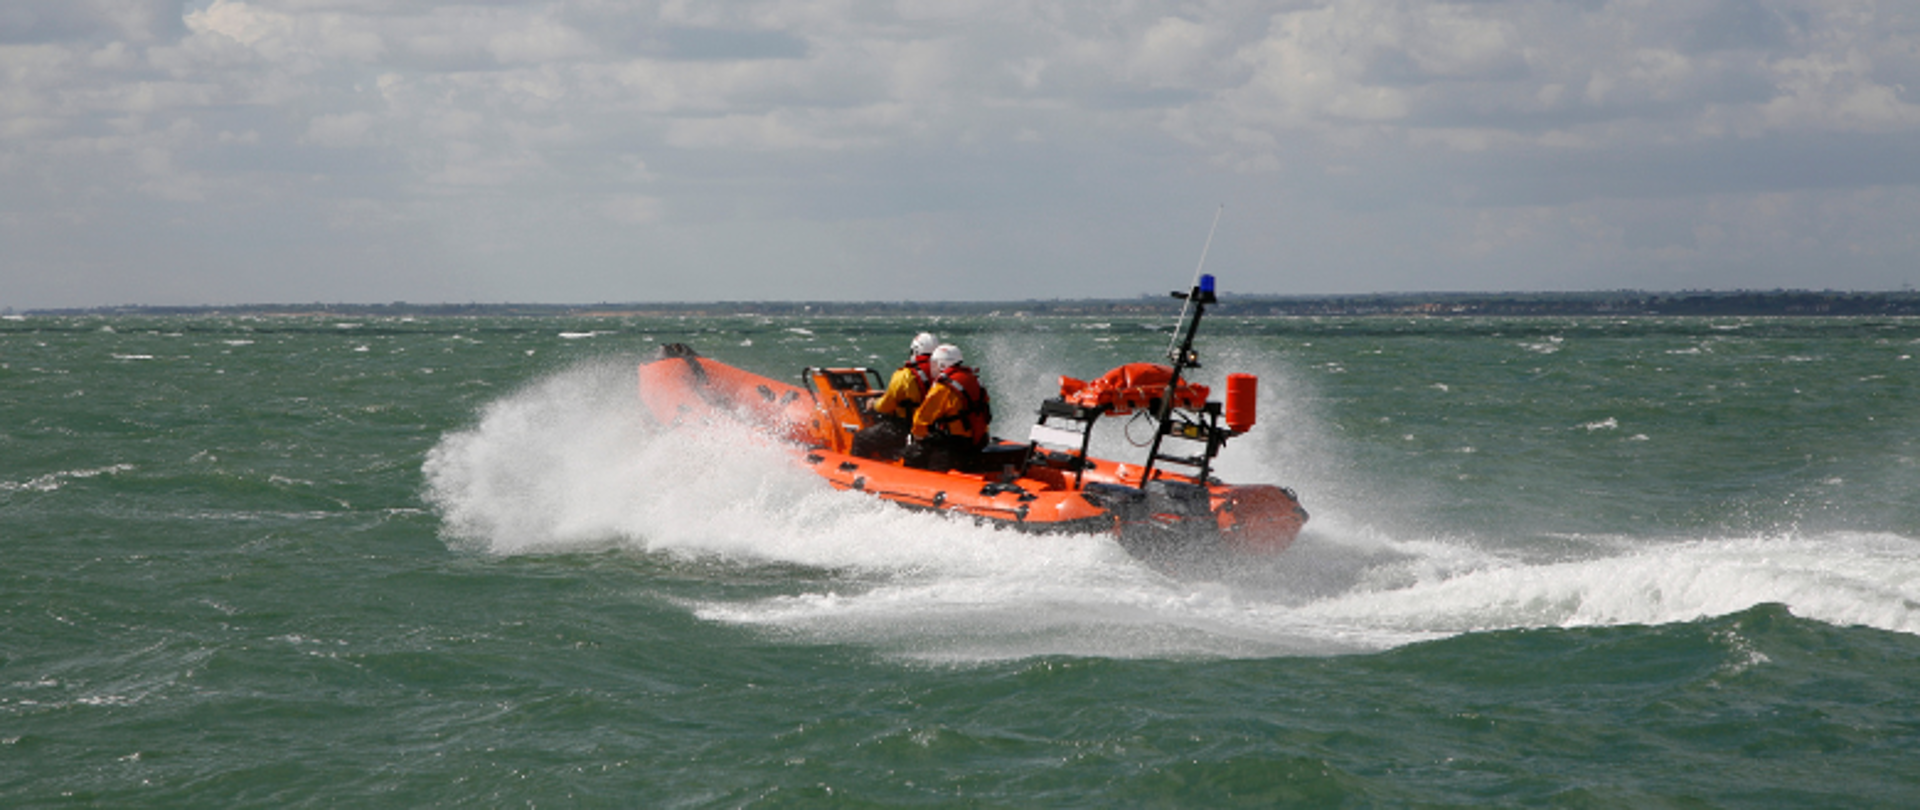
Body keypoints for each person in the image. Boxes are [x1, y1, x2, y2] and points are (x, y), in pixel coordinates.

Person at [903, 343, 992, 471]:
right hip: (979, 440)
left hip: (954, 444)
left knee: (913, 453)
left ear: (942, 364)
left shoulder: (943, 387)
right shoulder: (974, 379)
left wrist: (918, 436)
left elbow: (922, 418)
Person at [849, 332, 938, 460]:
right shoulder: (941, 374)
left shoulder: (905, 375)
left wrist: (873, 404)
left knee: (861, 438)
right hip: (932, 428)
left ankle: (855, 472)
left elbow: (886, 406)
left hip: (904, 428)